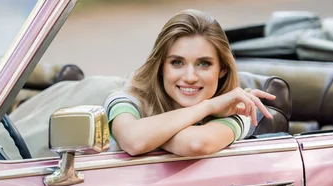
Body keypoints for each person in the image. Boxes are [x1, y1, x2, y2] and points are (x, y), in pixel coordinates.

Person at [103, 9, 276, 157]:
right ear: (161, 66)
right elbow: (133, 140)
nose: (190, 77)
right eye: (177, 62)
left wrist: (149, 134)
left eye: (204, 64)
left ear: (222, 69)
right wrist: (209, 107)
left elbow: (196, 143)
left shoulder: (238, 108)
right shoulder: (126, 98)